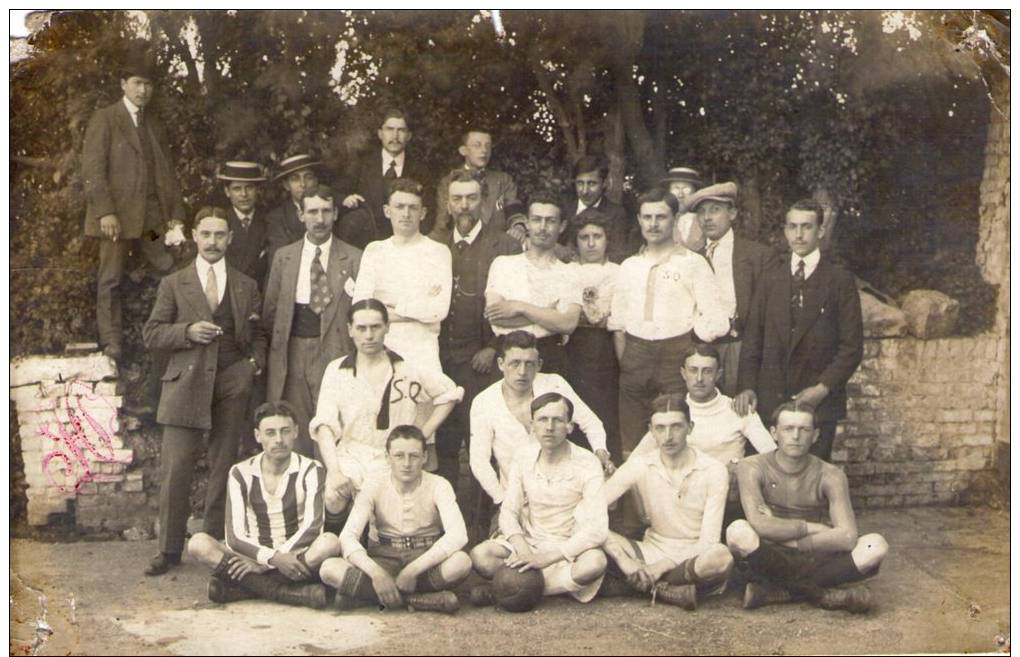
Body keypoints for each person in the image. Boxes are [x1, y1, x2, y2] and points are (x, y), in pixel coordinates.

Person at [140, 207, 266, 576]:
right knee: (176, 466)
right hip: (186, 382)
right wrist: (186, 332)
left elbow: (259, 334)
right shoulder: (174, 283)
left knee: (224, 465)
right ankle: (169, 549)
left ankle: (210, 542)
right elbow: (152, 333)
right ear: (195, 235)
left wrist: (252, 367)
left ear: (230, 238)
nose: (213, 242)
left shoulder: (245, 285)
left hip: (231, 379)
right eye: (206, 234)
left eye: (220, 235)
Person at [726, 402, 888, 613]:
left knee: (876, 545)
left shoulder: (831, 475)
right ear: (774, 433)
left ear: (815, 435)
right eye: (788, 429)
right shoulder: (751, 466)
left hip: (812, 554)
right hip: (767, 556)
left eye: (804, 429)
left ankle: (779, 591)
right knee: (738, 531)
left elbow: (847, 537)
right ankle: (820, 594)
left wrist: (790, 538)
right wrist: (814, 527)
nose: (795, 436)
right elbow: (759, 525)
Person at [735, 198, 864, 461]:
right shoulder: (770, 277)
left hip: (818, 401)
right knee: (770, 476)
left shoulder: (839, 280)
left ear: (820, 231)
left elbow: (851, 347)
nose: (798, 234)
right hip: (771, 398)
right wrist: (747, 386)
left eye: (806, 227)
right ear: (784, 230)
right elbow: (753, 338)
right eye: (792, 226)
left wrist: (822, 389)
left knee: (812, 481)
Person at [310, 299, 463, 517]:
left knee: (388, 511)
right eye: (361, 328)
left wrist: (422, 434)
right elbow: (324, 424)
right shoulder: (337, 370)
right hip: (352, 454)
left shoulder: (407, 367)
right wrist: (334, 471)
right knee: (333, 498)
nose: (369, 336)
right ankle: (342, 546)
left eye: (376, 327)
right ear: (350, 330)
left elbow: (449, 393)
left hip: (393, 456)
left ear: (387, 327)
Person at [609, 188, 730, 457]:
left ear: (674, 219)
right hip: (634, 357)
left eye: (661, 217)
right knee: (632, 445)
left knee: (673, 439)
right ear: (639, 220)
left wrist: (687, 339)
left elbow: (717, 320)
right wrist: (627, 361)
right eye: (647, 217)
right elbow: (617, 322)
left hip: (676, 356)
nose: (653, 224)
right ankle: (634, 500)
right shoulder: (629, 266)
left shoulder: (693, 264)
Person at [82, 48, 184, 361]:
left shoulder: (153, 125)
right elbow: (92, 170)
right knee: (111, 278)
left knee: (168, 269)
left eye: (148, 85)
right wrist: (106, 212)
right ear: (123, 84)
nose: (143, 90)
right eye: (137, 83)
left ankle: (170, 337)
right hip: (118, 224)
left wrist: (175, 219)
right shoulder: (106, 119)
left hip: (150, 226)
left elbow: (166, 174)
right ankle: (112, 344)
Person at [187, 401, 339, 608]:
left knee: (329, 542)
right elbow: (235, 536)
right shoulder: (240, 472)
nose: (278, 440)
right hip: (253, 554)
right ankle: (286, 593)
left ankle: (241, 589)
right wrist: (271, 559)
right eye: (270, 433)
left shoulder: (312, 469)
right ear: (258, 436)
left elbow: (313, 527)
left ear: (295, 432)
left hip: (295, 554)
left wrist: (267, 563)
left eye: (285, 431)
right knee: (198, 543)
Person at [470, 393, 609, 606]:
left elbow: (598, 529)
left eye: (558, 420)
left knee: (595, 562)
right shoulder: (523, 456)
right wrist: (525, 551)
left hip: (567, 549)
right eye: (543, 420)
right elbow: (508, 513)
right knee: (481, 556)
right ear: (532, 425)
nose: (549, 427)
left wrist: (546, 559)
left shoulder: (588, 462)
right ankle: (544, 587)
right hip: (530, 543)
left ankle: (507, 590)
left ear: (570, 426)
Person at [599, 394, 733, 609]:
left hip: (694, 555)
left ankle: (643, 584)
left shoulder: (713, 469)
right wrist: (624, 561)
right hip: (650, 550)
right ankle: (664, 588)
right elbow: (589, 510)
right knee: (594, 535)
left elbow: (709, 541)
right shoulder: (640, 464)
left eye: (676, 427)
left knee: (721, 556)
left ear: (690, 427)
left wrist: (664, 565)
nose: (668, 436)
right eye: (660, 428)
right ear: (651, 431)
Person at [432, 170, 522, 490]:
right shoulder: (434, 244)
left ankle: (485, 526)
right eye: (457, 199)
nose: (464, 206)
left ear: (483, 201)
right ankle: (446, 525)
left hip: (482, 362)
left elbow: (516, 305)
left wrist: (495, 348)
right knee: (443, 445)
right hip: (441, 361)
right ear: (448, 203)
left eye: (471, 198)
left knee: (483, 449)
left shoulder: (506, 247)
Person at [320, 425, 471, 613]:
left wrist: (413, 570)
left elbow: (458, 535)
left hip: (425, 557)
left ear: (424, 457)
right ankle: (417, 600)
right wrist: (377, 574)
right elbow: (348, 536)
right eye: (399, 456)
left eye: (414, 456)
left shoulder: (439, 485)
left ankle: (373, 597)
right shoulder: (374, 483)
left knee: (461, 562)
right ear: (387, 457)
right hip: (385, 557)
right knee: (329, 568)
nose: (406, 463)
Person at [262, 189, 362, 458]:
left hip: (334, 349)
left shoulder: (354, 258)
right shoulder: (284, 257)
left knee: (332, 425)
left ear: (336, 214)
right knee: (297, 425)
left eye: (326, 211)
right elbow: (271, 311)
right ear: (300, 215)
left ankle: (331, 494)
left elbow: (361, 314)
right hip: (293, 349)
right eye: (313, 212)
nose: (320, 219)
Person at [470, 330, 613, 514]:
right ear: (500, 364)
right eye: (515, 363)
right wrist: (503, 501)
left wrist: (600, 452)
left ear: (539, 365)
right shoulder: (484, 401)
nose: (522, 372)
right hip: (517, 502)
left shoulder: (554, 384)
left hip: (565, 499)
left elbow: (591, 423)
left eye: (529, 364)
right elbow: (479, 461)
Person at [684, 182, 776, 396]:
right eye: (701, 211)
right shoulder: (691, 258)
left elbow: (765, 317)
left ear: (732, 213)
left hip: (742, 347)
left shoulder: (758, 256)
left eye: (715, 210)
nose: (707, 218)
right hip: (703, 350)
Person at [353, 178, 451, 375]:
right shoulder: (375, 251)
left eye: (413, 208)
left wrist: (390, 304)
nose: (406, 214)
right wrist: (418, 306)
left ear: (422, 213)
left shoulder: (438, 252)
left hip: (423, 351)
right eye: (399, 206)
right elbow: (362, 309)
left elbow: (438, 310)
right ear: (387, 211)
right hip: (382, 348)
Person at [632, 345, 776, 470]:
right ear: (683, 373)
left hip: (728, 491)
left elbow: (772, 455)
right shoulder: (672, 411)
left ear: (718, 374)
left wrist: (741, 467)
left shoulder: (738, 409)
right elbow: (636, 459)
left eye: (707, 371)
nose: (699, 378)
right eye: (693, 370)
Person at [484, 193, 582, 376]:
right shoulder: (503, 264)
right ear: (527, 223)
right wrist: (549, 314)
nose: (542, 227)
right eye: (537, 220)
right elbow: (495, 316)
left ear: (562, 226)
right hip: (508, 355)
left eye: (551, 221)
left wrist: (519, 307)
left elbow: (568, 323)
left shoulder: (571, 272)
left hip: (549, 355)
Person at [564, 208, 623, 460]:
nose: (590, 243)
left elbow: (618, 314)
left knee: (605, 409)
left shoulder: (618, 272)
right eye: (583, 237)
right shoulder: (566, 271)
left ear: (607, 238)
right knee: (576, 410)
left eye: (597, 236)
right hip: (572, 348)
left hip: (606, 350)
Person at [337, 109, 432, 249]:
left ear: (409, 136)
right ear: (380, 134)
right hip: (366, 246)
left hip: (406, 247)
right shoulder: (362, 164)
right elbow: (336, 192)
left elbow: (428, 212)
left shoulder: (421, 170)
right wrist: (345, 199)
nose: (395, 136)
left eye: (401, 130)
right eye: (389, 129)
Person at [431, 129, 527, 241]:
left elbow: (513, 210)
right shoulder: (449, 182)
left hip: (497, 247)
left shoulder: (503, 180)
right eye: (477, 145)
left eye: (488, 146)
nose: (484, 151)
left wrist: (518, 226)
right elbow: (442, 222)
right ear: (463, 150)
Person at [560, 155, 634, 263]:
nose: (585, 191)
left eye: (592, 183)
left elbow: (617, 255)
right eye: (580, 183)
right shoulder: (565, 209)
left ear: (604, 183)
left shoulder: (616, 214)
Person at [218, 160, 270, 291]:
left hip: (261, 294)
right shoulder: (219, 222)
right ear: (227, 191)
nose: (244, 194)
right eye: (237, 188)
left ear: (257, 190)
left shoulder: (269, 220)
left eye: (249, 187)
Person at [265, 153, 323, 263]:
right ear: (286, 185)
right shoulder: (277, 217)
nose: (303, 184)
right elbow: (279, 259)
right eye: (295, 179)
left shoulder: (327, 210)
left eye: (308, 178)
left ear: (316, 181)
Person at [662, 166, 706, 252]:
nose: (680, 195)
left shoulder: (704, 219)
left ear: (694, 192)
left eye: (686, 189)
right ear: (669, 192)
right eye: (676, 188)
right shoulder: (659, 219)